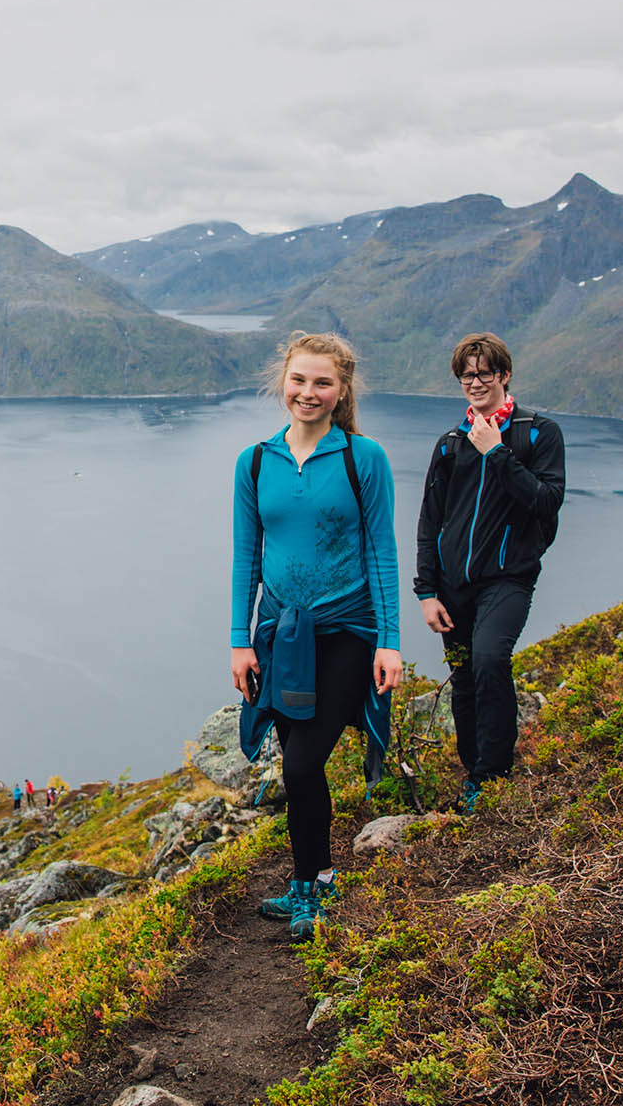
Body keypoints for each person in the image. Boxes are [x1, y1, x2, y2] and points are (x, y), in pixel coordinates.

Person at [230, 331, 402, 940]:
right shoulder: (255, 462)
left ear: (342, 390)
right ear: (284, 382)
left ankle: (319, 885)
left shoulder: (364, 457)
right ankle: (307, 882)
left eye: (322, 382)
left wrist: (389, 641)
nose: (308, 392)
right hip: (280, 634)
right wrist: (239, 639)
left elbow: (382, 553)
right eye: (299, 380)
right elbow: (246, 557)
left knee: (303, 764)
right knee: (298, 765)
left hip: (347, 631)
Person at [413, 332, 566, 812]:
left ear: (504, 375)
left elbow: (547, 501)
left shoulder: (538, 433)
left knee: (489, 660)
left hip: (509, 578)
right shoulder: (449, 444)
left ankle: (494, 773)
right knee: (464, 679)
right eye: (466, 376)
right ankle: (473, 773)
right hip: (453, 586)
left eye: (484, 373)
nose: (475, 382)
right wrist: (426, 591)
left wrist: (496, 452)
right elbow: (430, 521)